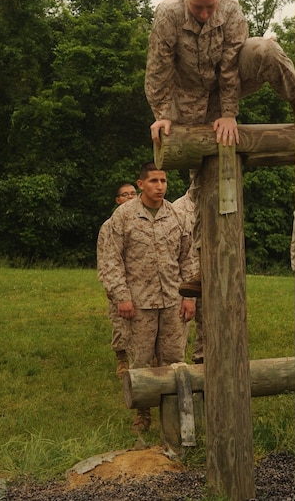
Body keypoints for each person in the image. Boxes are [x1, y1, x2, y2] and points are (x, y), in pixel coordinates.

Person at [144, 0, 295, 294]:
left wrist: (229, 113)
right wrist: (162, 114)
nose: (204, 14)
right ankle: (203, 264)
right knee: (203, 177)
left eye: (209, 6)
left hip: (229, 86)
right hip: (189, 98)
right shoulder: (168, 14)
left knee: (266, 50)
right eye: (197, 7)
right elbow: (158, 68)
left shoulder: (231, 10)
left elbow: (230, 67)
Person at [97, 163, 196, 432]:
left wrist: (190, 297)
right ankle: (143, 413)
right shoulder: (124, 217)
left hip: (173, 300)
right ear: (141, 184)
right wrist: (122, 296)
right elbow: (111, 260)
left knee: (174, 359)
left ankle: (175, 413)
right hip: (139, 303)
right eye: (153, 181)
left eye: (163, 181)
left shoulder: (177, 216)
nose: (160, 186)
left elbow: (188, 259)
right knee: (141, 361)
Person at [97, 183, 137, 377]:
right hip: (118, 282)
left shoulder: (142, 221)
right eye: (125, 194)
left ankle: (150, 358)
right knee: (120, 324)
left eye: (133, 194)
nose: (130, 197)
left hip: (142, 284)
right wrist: (109, 285)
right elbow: (104, 258)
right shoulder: (109, 225)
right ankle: (122, 358)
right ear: (117, 200)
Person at [172, 187, 204, 363]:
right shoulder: (178, 210)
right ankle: (175, 366)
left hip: (209, 276)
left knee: (208, 326)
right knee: (179, 329)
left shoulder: (211, 205)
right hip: (184, 281)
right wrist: (188, 296)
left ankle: (203, 363)